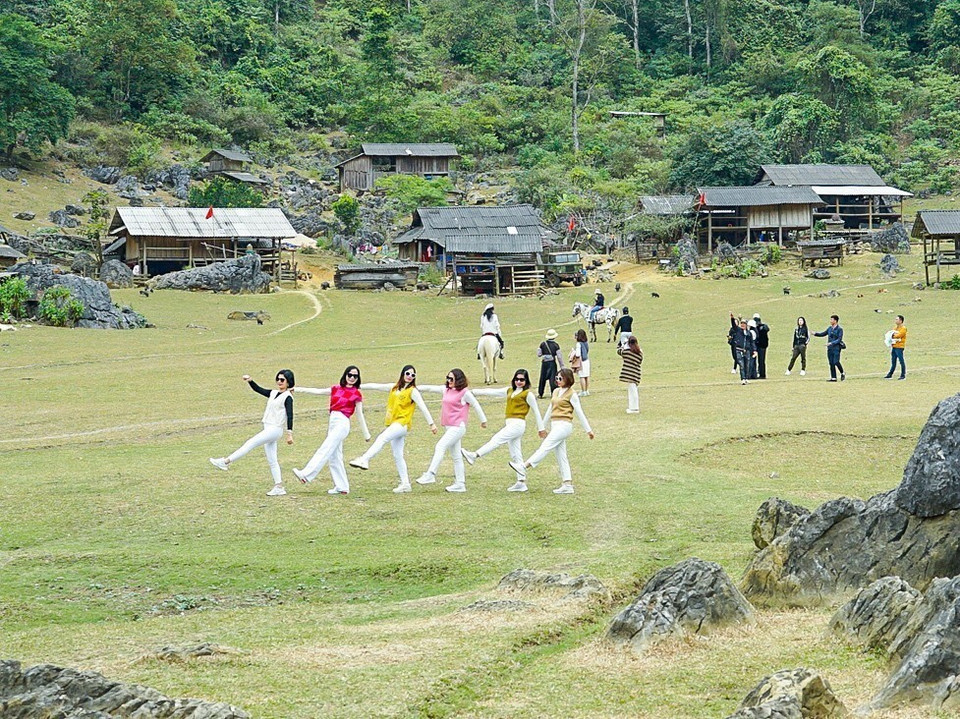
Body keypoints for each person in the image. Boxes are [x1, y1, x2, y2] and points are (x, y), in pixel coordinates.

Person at [349, 365, 437, 493]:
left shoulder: (413, 391)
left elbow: (423, 407)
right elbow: (377, 386)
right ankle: (405, 483)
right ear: (403, 374)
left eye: (413, 375)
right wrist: (359, 385)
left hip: (402, 423)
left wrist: (431, 424)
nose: (410, 377)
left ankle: (364, 459)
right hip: (393, 423)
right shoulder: (394, 388)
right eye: (408, 373)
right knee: (397, 455)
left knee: (382, 438)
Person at [508, 368, 594, 494]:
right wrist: (542, 426)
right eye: (557, 378)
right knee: (561, 455)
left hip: (564, 425)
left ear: (567, 379)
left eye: (560, 378)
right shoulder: (556, 391)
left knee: (545, 446)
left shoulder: (572, 394)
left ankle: (524, 466)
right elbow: (550, 409)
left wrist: (588, 430)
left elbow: (580, 412)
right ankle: (567, 483)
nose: (558, 381)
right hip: (555, 424)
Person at [209, 370, 294, 497]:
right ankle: (279, 486)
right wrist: (250, 381)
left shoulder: (288, 397)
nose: (279, 382)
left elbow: (290, 415)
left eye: (282, 380)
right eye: (278, 379)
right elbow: (259, 389)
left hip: (275, 429)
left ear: (288, 382)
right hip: (268, 427)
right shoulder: (273, 393)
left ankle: (225, 462)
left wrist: (289, 433)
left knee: (250, 443)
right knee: (272, 460)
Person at [292, 366, 371, 495]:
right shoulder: (336, 388)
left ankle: (306, 475)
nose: (352, 378)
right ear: (345, 375)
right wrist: (297, 389)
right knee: (335, 456)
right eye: (350, 375)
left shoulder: (356, 393)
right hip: (333, 421)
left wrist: (366, 434)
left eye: (355, 376)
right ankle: (342, 487)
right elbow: (317, 392)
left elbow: (360, 414)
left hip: (342, 422)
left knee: (325, 448)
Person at [464, 369, 546, 491]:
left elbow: (536, 411)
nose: (519, 382)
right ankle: (521, 482)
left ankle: (475, 455)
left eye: (522, 380)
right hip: (510, 423)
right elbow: (492, 392)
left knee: (497, 439)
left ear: (526, 381)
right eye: (517, 379)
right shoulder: (509, 390)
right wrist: (475, 392)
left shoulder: (528, 394)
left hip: (518, 424)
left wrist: (541, 428)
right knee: (516, 453)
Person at [416, 369, 488, 492]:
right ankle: (460, 483)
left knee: (440, 446)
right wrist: (415, 387)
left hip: (458, 427)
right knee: (456, 456)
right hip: (449, 427)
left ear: (458, 380)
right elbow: (430, 388)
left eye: (451, 379)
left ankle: (431, 474)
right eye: (447, 378)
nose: (449, 381)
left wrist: (483, 420)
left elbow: (476, 404)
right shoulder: (446, 390)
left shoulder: (465, 393)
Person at [814, 314, 845, 381]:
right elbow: (823, 334)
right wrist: (815, 334)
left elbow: (839, 339)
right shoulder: (829, 328)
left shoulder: (840, 329)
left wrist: (831, 343)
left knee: (836, 361)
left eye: (832, 319)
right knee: (831, 363)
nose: (830, 321)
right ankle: (833, 378)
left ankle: (842, 373)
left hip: (836, 348)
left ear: (835, 321)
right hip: (830, 348)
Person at [618, 335, 643, 413]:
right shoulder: (639, 352)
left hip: (630, 374)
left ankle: (634, 408)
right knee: (633, 390)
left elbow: (619, 351)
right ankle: (632, 407)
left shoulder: (626, 352)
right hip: (636, 373)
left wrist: (624, 345)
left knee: (632, 391)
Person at [537, 329, 563, 398]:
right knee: (553, 379)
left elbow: (539, 354)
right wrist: (562, 366)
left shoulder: (542, 344)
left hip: (544, 363)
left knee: (542, 378)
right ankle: (554, 393)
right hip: (552, 363)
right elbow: (559, 357)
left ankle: (540, 393)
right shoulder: (556, 345)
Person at [731, 319, 756, 385]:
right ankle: (743, 378)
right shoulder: (738, 331)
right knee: (741, 365)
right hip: (739, 350)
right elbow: (734, 325)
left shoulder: (749, 333)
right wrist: (732, 318)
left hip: (747, 351)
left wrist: (754, 350)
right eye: (741, 323)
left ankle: (746, 378)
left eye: (744, 323)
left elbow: (751, 342)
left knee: (747, 365)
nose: (742, 325)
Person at [885, 315, 907, 380]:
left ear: (901, 321)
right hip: (894, 346)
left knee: (901, 361)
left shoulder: (903, 328)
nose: (896, 321)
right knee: (893, 361)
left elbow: (898, 335)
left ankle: (903, 375)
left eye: (897, 319)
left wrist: (892, 335)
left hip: (899, 347)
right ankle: (890, 374)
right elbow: (891, 334)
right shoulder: (895, 328)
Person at [571, 329, 590, 396]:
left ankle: (583, 391)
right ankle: (587, 390)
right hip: (587, 361)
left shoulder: (578, 344)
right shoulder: (586, 343)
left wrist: (574, 352)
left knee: (582, 376)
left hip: (581, 362)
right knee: (587, 376)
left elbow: (578, 354)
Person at [752, 313, 770, 379]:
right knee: (759, 361)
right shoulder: (756, 327)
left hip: (761, 346)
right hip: (760, 346)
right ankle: (758, 373)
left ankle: (762, 374)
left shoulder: (762, 327)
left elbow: (766, 329)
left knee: (760, 361)